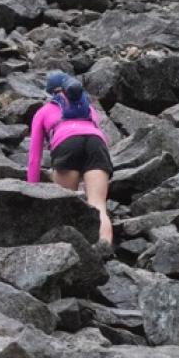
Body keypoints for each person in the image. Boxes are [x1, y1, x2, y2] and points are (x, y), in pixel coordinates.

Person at [26, 71, 114, 245]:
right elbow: (97, 134)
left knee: (66, 204)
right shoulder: (88, 108)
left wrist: (32, 191)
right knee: (98, 205)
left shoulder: (44, 111)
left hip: (67, 144)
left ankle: (72, 252)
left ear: (51, 92)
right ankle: (105, 250)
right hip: (96, 144)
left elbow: (34, 158)